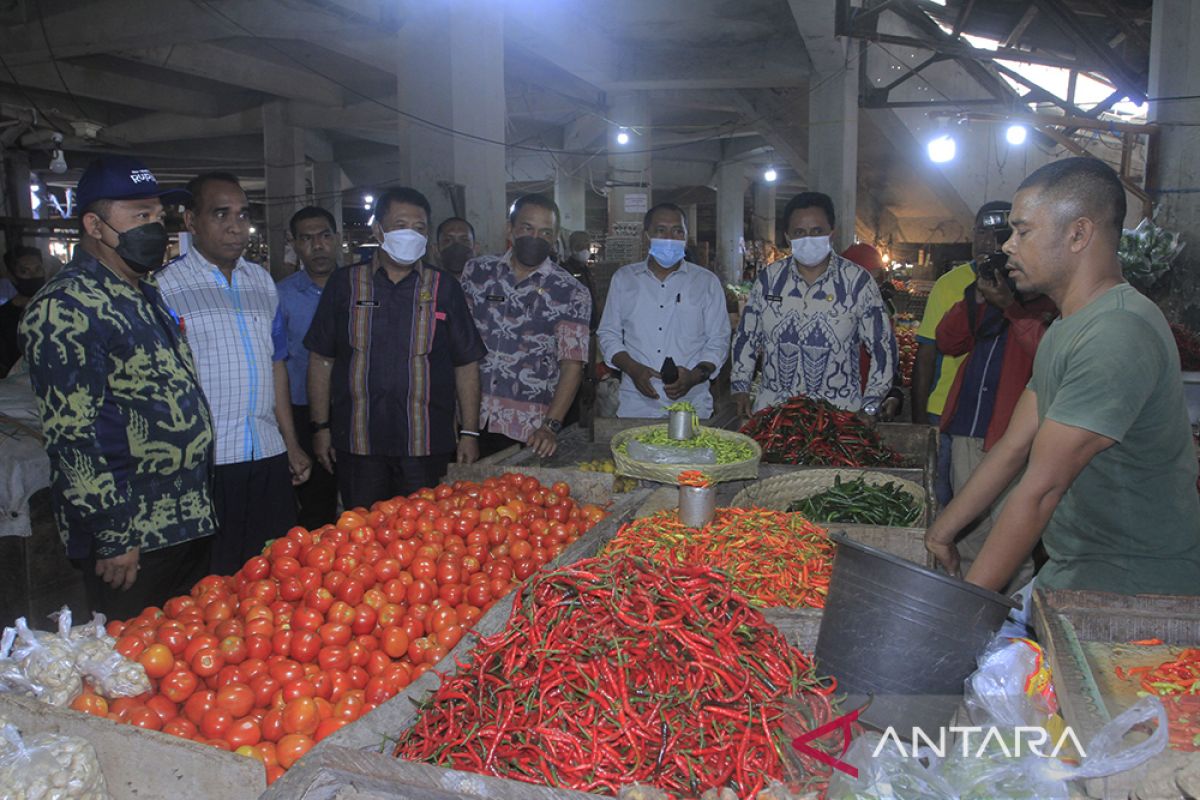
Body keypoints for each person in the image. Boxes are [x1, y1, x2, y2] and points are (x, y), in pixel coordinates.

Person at [926, 157, 1200, 601]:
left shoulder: (1117, 332)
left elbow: (1042, 488)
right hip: (1079, 571)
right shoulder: (1068, 326)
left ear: (1078, 233)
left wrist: (959, 610)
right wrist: (943, 531)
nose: (1009, 246)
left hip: (1132, 590)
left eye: (1023, 231)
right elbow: (1014, 447)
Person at [20, 156, 216, 617]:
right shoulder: (65, 306)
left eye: (158, 216)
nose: (156, 227)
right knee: (132, 667)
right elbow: (74, 435)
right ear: (95, 224)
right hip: (133, 536)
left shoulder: (142, 292)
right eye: (140, 216)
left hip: (184, 519)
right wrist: (113, 535)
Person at [156, 172, 311, 575]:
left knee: (276, 570)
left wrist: (290, 443)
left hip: (266, 453)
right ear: (191, 221)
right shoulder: (164, 289)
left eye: (242, 215)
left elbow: (276, 362)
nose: (234, 226)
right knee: (214, 580)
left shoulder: (261, 282)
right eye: (220, 214)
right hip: (208, 463)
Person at [305, 187, 486, 509]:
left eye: (419, 228)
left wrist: (470, 432)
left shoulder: (444, 287)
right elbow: (321, 359)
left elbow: (466, 363)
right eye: (401, 225)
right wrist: (320, 427)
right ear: (378, 229)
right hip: (358, 444)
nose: (411, 235)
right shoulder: (345, 284)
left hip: (426, 444)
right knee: (362, 538)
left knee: (426, 538)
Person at [934, 248, 1057, 593]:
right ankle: (968, 613)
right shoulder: (986, 304)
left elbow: (1047, 356)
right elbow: (948, 341)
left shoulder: (1051, 307)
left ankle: (1009, 625)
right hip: (969, 428)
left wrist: (1009, 306)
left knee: (1011, 540)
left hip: (1014, 439)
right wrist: (975, 298)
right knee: (969, 534)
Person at [731, 192, 895, 419]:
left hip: (838, 418)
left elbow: (882, 345)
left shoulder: (857, 283)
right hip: (774, 415)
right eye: (800, 232)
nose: (808, 238)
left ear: (831, 234)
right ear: (788, 237)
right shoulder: (769, 281)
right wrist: (740, 386)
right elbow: (746, 337)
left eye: (817, 231)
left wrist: (871, 403)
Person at [460, 194, 590, 458]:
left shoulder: (570, 291)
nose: (535, 237)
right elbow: (461, 350)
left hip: (529, 430)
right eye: (527, 228)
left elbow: (572, 366)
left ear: (554, 239)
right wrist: (467, 430)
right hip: (469, 420)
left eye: (545, 232)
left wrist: (550, 427)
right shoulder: (478, 273)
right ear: (510, 228)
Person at [912, 201, 1012, 507]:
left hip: (1003, 417)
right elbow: (930, 351)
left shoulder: (1028, 284)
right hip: (945, 412)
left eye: (996, 232)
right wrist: (919, 422)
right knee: (940, 499)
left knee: (991, 503)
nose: (986, 240)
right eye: (980, 230)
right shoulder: (949, 285)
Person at [597, 203, 730, 418]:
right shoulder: (624, 279)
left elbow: (719, 340)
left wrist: (694, 376)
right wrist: (632, 369)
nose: (670, 238)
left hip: (692, 406)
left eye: (678, 231)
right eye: (661, 230)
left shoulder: (706, 282)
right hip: (637, 405)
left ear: (686, 236)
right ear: (646, 236)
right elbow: (608, 334)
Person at [276, 206, 342, 529]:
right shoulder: (282, 297)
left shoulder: (359, 286)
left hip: (353, 409)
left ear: (338, 239)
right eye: (307, 238)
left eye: (325, 236)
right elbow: (277, 363)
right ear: (295, 245)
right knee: (317, 507)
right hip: (302, 412)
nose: (318, 246)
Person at [840, 243, 904, 422]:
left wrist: (893, 396)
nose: (876, 286)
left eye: (879, 279)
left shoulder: (882, 313)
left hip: (868, 415)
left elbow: (890, 362)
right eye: (869, 279)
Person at [0, 246, 45, 376]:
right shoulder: (3, 318)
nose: (33, 276)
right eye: (24, 271)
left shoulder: (54, 308)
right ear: (12, 276)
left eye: (38, 269)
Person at [561, 230, 599, 330]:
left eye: (587, 247)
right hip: (573, 326)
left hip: (590, 325)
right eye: (581, 247)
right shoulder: (565, 271)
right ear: (573, 248)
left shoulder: (586, 270)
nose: (585, 251)